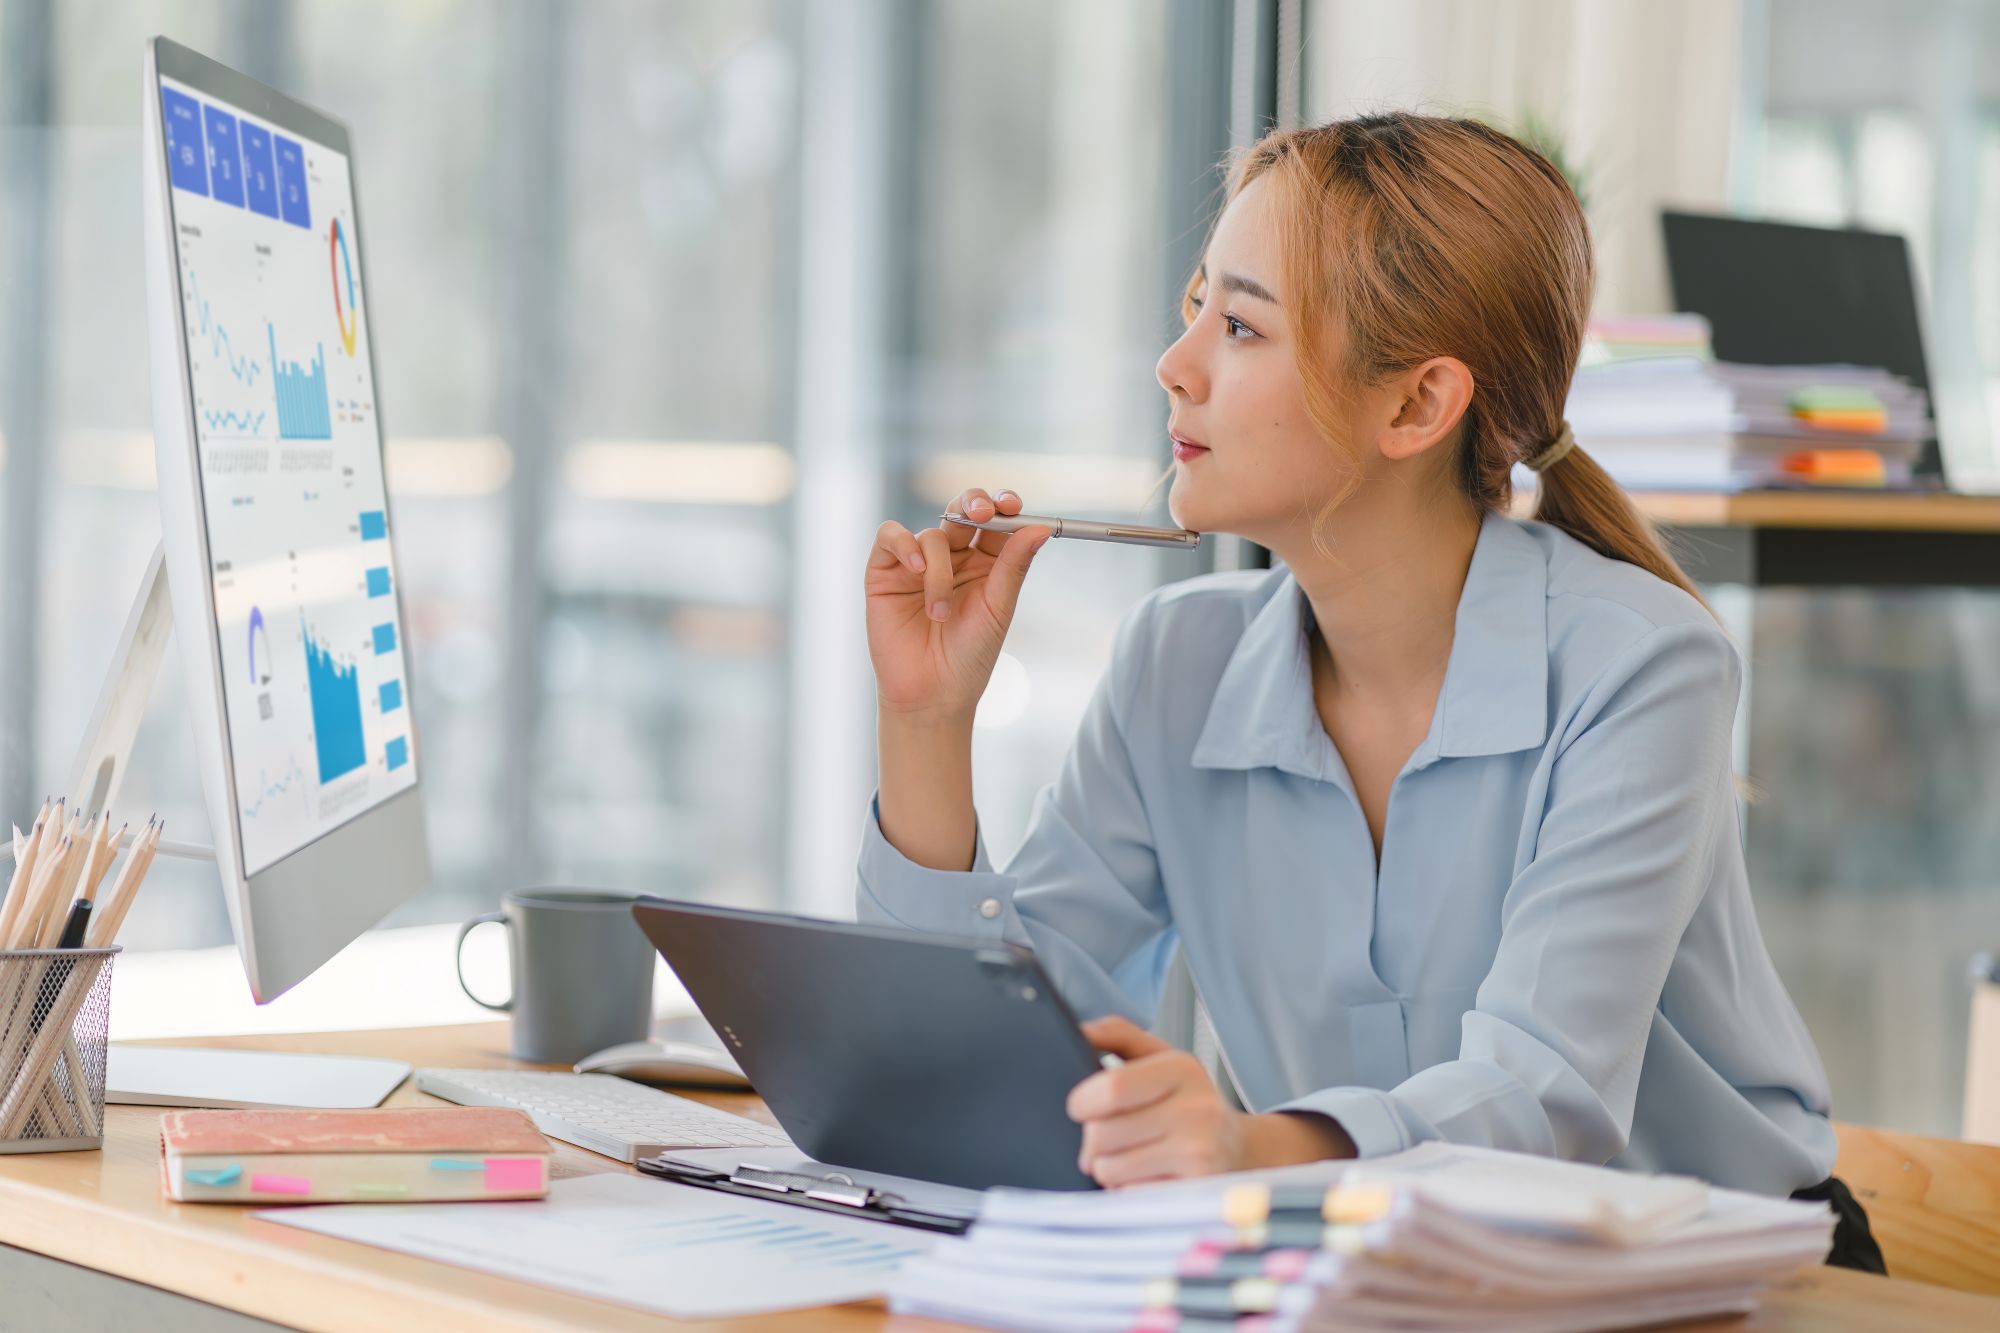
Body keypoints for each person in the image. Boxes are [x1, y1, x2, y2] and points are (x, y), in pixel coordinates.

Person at [856, 112, 1880, 1270]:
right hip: (1367, 1265)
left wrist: (1243, 1147)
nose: (1174, 363)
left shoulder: (1640, 664)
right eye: (1195, 306)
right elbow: (979, 1057)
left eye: (1238, 325)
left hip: (1704, 1280)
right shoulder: (1173, 662)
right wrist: (925, 722)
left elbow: (1538, 1094)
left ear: (1414, 406)